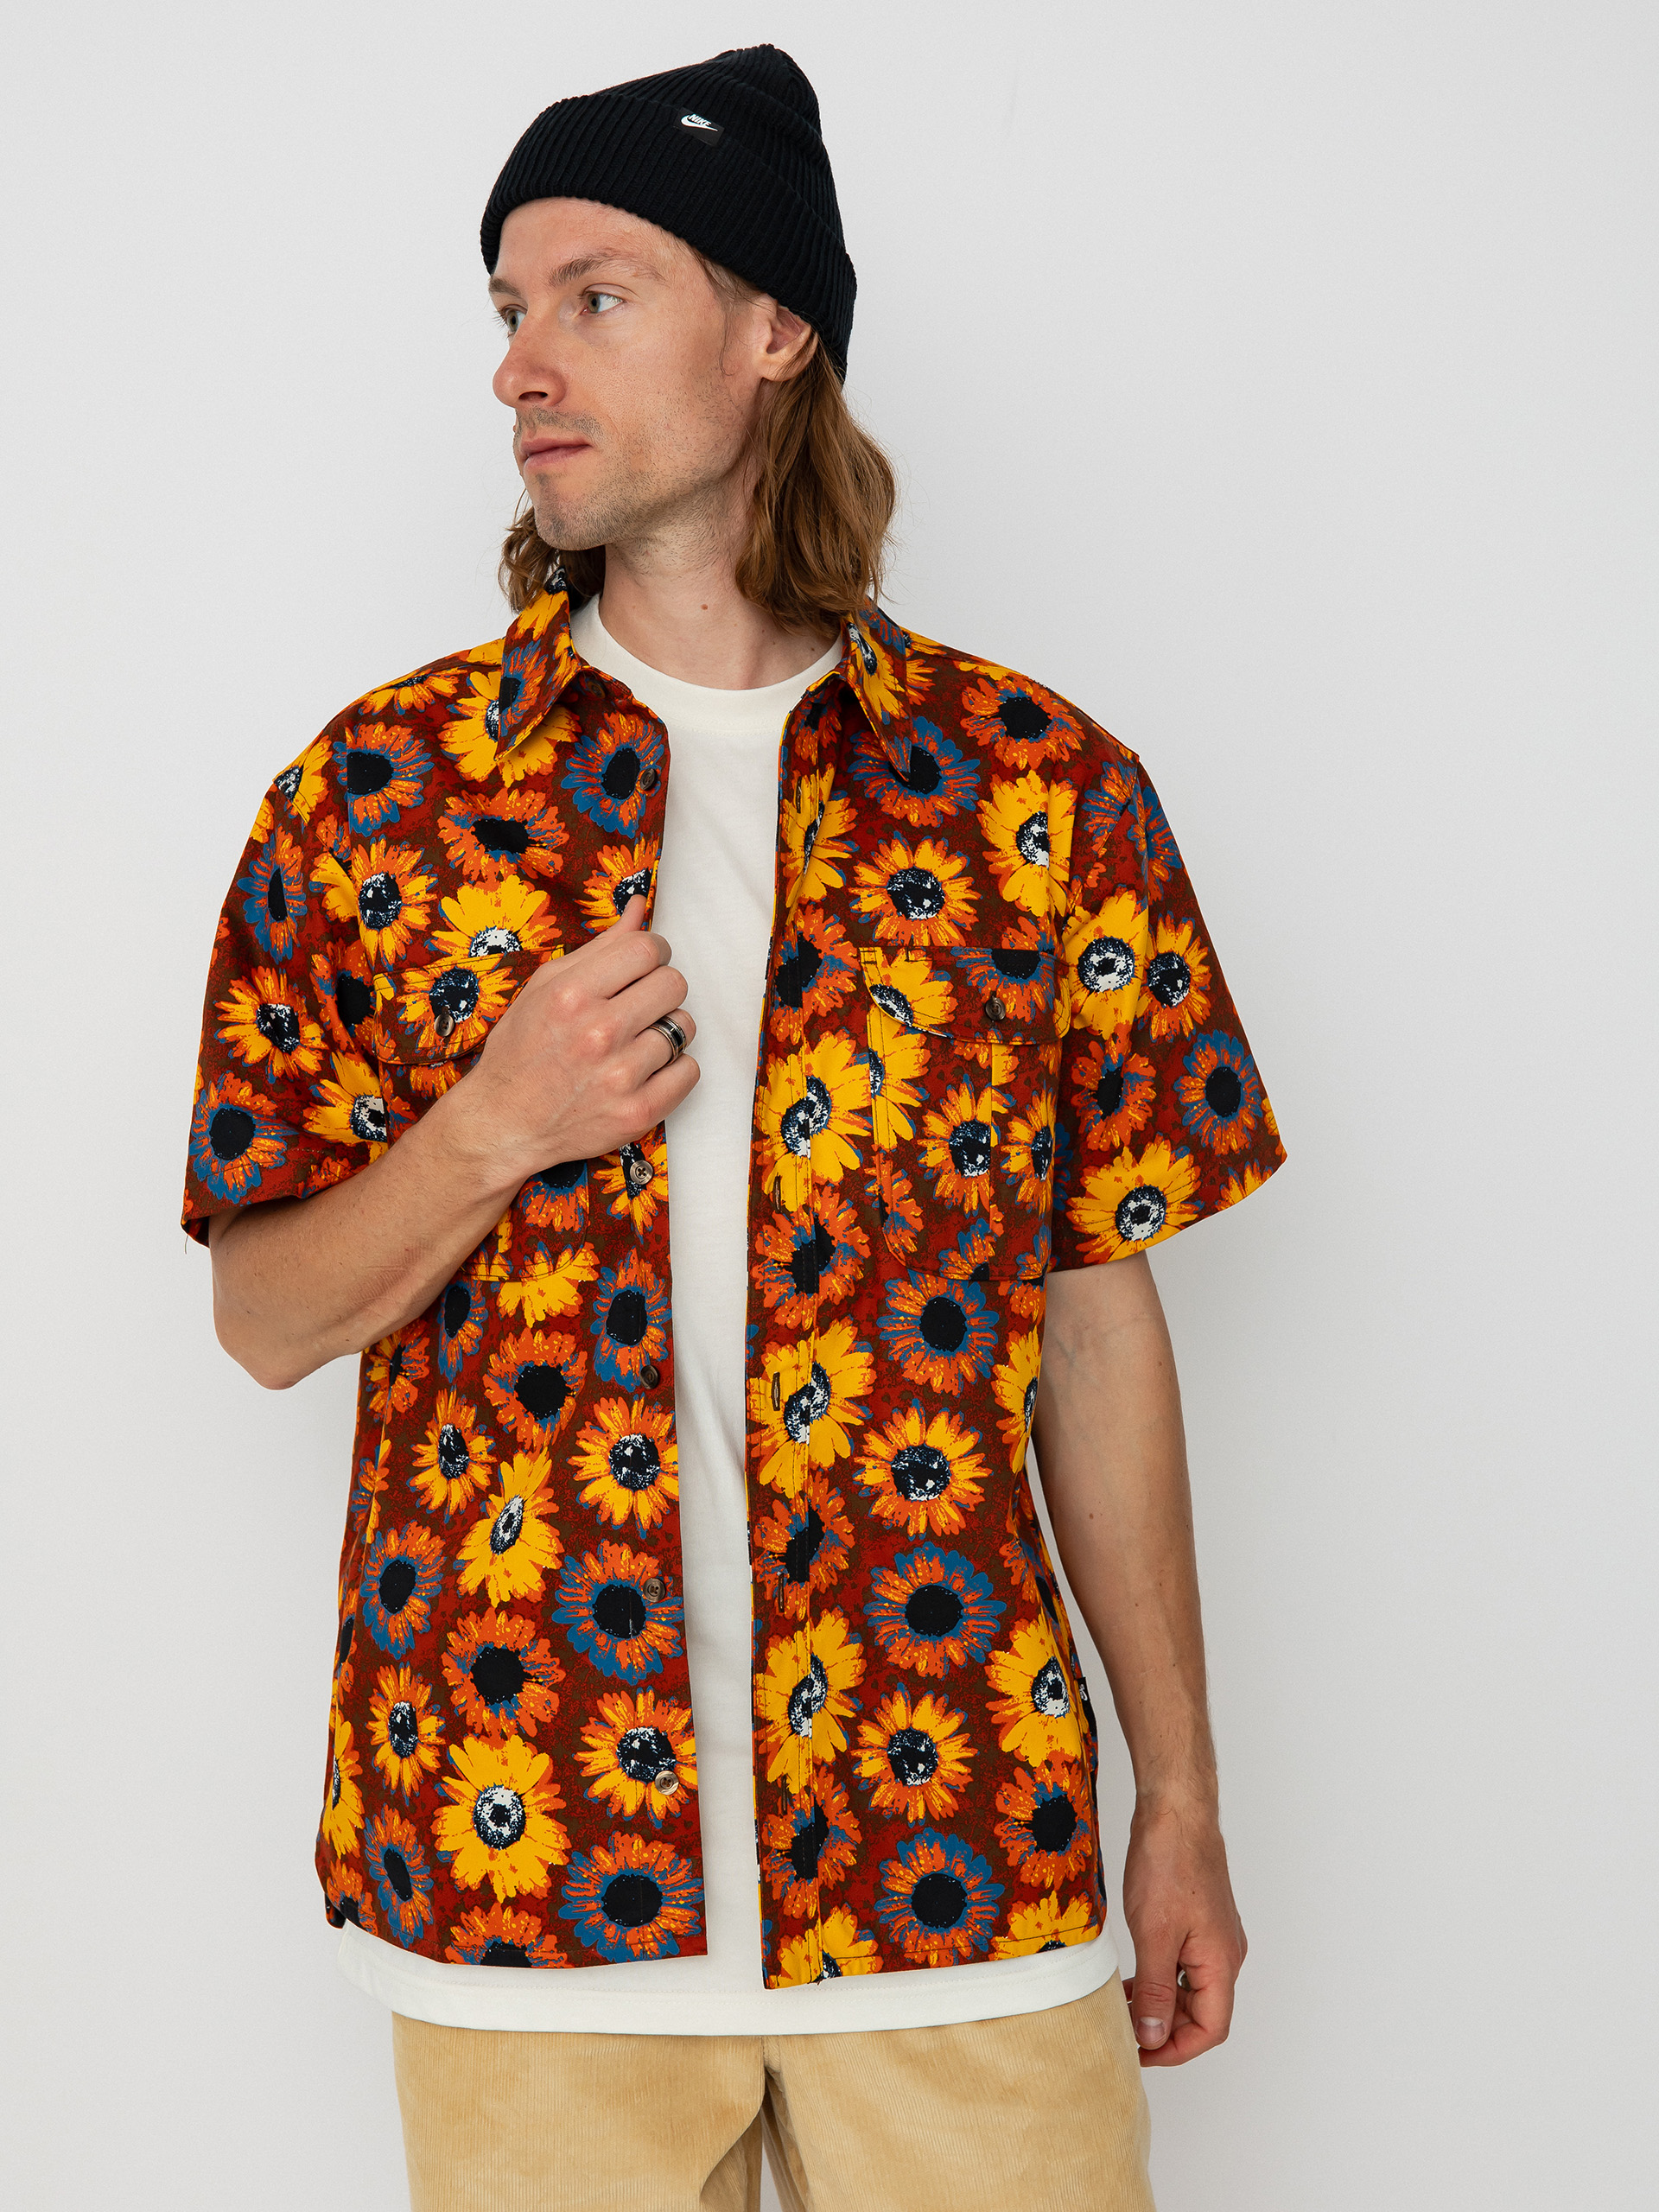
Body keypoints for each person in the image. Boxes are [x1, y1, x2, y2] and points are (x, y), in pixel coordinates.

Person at [184, 43, 1285, 2212]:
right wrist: (493, 1124)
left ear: (776, 328)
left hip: (951, 1848)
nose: (521, 362)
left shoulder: (1038, 791)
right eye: (509, 307)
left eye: (595, 295)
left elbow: (1098, 1324)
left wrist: (1181, 1795)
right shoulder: (379, 798)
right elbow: (264, 1318)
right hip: (528, 1875)